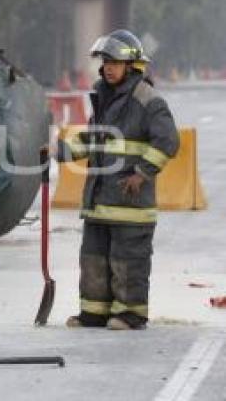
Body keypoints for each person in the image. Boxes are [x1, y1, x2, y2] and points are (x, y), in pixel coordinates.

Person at [56, 29, 178, 331]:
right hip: (99, 201)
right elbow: (93, 141)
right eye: (105, 61)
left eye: (114, 62)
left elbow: (167, 141)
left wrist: (142, 173)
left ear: (132, 65)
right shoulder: (105, 98)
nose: (108, 67)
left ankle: (131, 314)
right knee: (94, 260)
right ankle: (93, 313)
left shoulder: (148, 100)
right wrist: (61, 152)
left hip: (131, 204)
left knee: (128, 262)